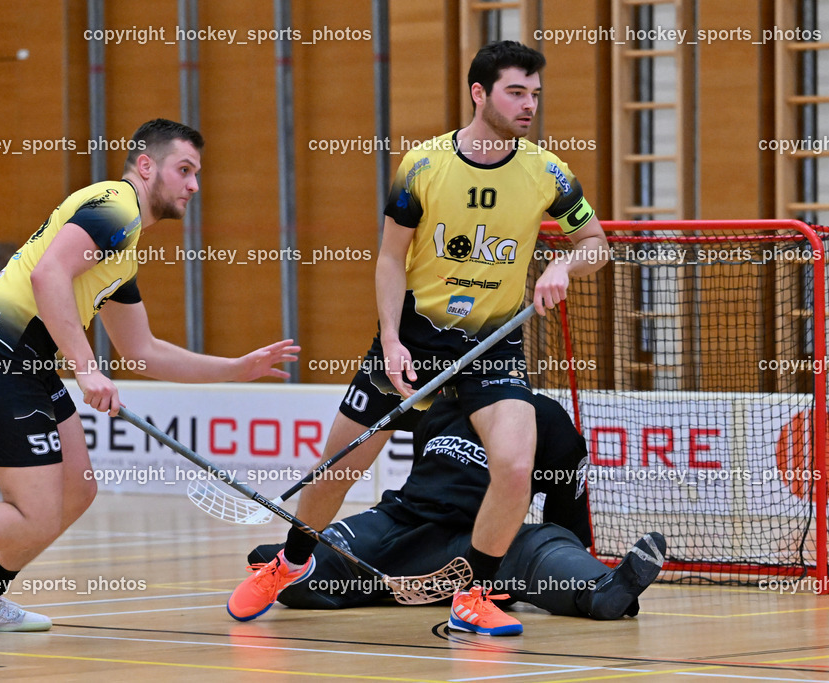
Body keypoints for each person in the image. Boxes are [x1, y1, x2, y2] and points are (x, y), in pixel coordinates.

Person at [0, 119, 299, 631]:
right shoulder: (117, 207)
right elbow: (47, 273)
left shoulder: (123, 252)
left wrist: (237, 369)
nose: (194, 185)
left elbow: (142, 351)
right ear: (146, 166)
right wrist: (87, 370)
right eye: (184, 170)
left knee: (77, 489)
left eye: (196, 174)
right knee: (32, 515)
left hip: (28, 358)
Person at [228, 40, 609, 636]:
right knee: (339, 465)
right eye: (515, 92)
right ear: (479, 93)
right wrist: (390, 339)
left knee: (514, 466)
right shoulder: (423, 165)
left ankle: (474, 595)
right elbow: (389, 258)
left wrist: (565, 264)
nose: (529, 105)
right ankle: (292, 562)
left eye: (535, 94)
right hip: (413, 339)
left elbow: (596, 245)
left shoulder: (549, 172)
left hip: (492, 347)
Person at [246, 393, 666, 628]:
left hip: (481, 545)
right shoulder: (441, 404)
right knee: (287, 568)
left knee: (541, 543)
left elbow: (565, 520)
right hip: (400, 525)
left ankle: (600, 591)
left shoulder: (545, 417)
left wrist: (574, 564)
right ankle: (416, 586)